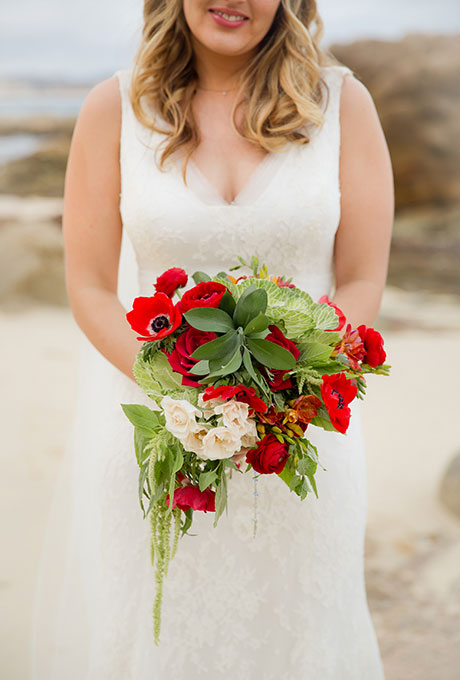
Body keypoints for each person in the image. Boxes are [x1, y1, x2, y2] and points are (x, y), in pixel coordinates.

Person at [30, 0, 394, 678]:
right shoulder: (113, 110)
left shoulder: (345, 107)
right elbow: (88, 287)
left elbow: (362, 279)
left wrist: (282, 392)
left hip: (298, 438)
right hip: (154, 440)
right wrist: (183, 402)